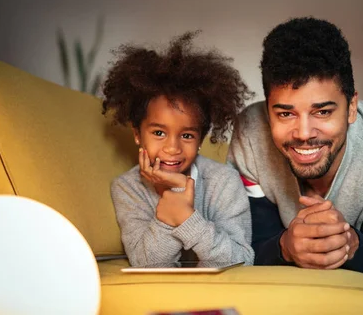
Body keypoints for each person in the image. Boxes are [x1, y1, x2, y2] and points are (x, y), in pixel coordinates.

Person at [227, 17, 363, 286]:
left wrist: (352, 244)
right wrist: (284, 246)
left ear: (352, 107)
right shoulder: (251, 133)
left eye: (322, 111)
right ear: (267, 112)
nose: (304, 133)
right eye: (286, 113)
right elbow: (247, 246)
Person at [102, 32, 254, 267]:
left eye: (186, 135)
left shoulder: (223, 181)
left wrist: (187, 218)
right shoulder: (128, 188)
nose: (172, 148)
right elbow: (146, 265)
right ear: (137, 134)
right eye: (159, 133)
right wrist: (167, 217)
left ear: (201, 139)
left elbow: (241, 261)